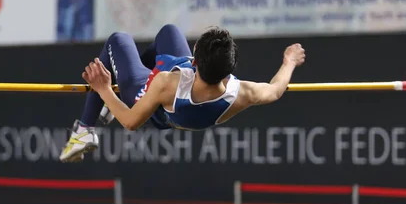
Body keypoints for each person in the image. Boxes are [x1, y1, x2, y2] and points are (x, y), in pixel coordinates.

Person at [59, 24, 305, 163]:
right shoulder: (240, 92)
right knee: (169, 33)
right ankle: (116, 98)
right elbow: (275, 90)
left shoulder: (167, 83)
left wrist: (104, 89)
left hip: (152, 102)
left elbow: (131, 122)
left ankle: (83, 132)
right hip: (184, 94)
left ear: (195, 61)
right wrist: (290, 61)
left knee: (118, 39)